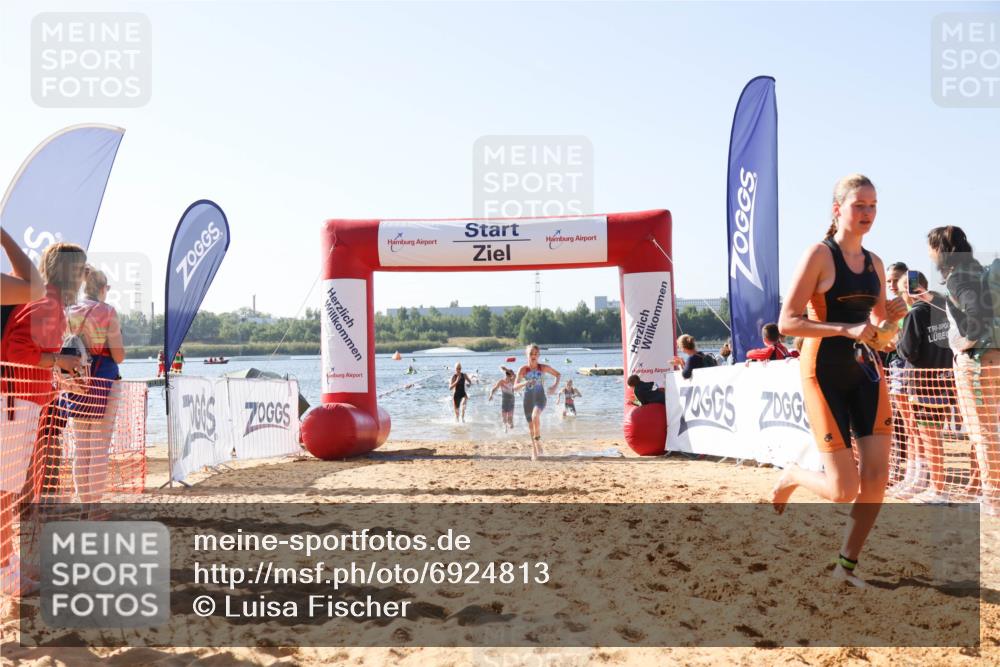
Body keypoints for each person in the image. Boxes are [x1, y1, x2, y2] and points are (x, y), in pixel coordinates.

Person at [769, 174, 907, 588]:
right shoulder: (818, 255)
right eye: (859, 205)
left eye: (873, 206)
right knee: (843, 488)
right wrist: (844, 330)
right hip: (823, 372)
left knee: (878, 477)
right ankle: (793, 474)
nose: (867, 213)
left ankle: (846, 566)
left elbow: (880, 328)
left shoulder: (875, 263)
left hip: (865, 371)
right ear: (838, 209)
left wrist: (893, 316)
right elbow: (787, 322)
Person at [1, 243, 87, 594]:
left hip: (22, 401)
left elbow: (28, 354)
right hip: (14, 402)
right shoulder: (48, 303)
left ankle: (8, 563)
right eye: (81, 270)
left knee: (7, 492)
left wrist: (61, 379)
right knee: (4, 493)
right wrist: (59, 363)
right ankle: (6, 571)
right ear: (71, 272)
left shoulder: (49, 303)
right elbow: (16, 353)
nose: (84, 277)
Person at [928, 225, 1000, 513]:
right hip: (994, 356)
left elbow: (974, 316)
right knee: (991, 430)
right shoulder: (978, 270)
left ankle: (992, 498)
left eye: (932, 248)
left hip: (977, 361)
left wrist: (963, 342)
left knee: (982, 433)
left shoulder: (958, 277)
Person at [892, 271, 953, 503]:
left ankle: (938, 489)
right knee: (930, 436)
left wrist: (898, 341)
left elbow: (907, 350)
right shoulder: (942, 309)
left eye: (901, 291)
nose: (901, 297)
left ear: (909, 290)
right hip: (944, 379)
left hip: (921, 383)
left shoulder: (915, 314)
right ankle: (930, 484)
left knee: (929, 437)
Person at [66, 267, 126, 503]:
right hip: (103, 380)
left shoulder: (69, 311)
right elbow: (118, 355)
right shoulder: (107, 311)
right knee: (99, 447)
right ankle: (94, 507)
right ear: (103, 289)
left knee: (81, 449)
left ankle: (83, 506)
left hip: (76, 380)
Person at [514, 344, 560, 460]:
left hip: (540, 398)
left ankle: (537, 441)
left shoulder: (542, 368)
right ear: (527, 355)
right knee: (531, 427)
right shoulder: (523, 369)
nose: (533, 356)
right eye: (531, 354)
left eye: (535, 354)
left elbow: (558, 375)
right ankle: (535, 448)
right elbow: (515, 387)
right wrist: (525, 383)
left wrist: (554, 386)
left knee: (535, 416)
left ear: (539, 355)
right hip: (528, 400)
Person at [488, 366, 517, 432]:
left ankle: (511, 423)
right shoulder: (501, 381)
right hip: (504, 401)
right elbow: (494, 388)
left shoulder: (512, 381)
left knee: (509, 419)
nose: (509, 377)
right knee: (504, 417)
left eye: (510, 375)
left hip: (511, 401)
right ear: (506, 374)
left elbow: (515, 375)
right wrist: (491, 395)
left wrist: (506, 369)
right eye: (508, 375)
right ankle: (505, 428)